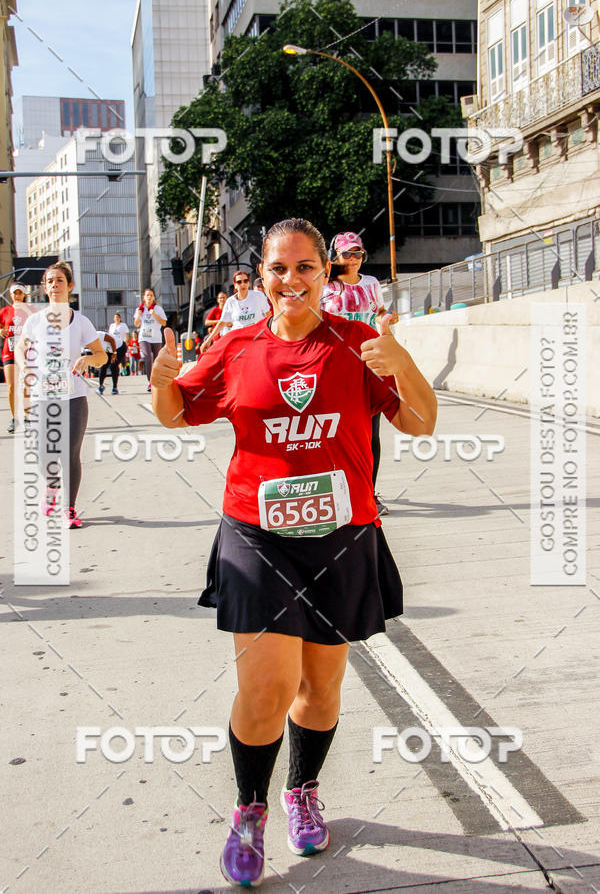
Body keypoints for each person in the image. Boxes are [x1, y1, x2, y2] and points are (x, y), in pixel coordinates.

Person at [151, 218, 437, 888]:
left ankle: (302, 789)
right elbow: (174, 413)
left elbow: (421, 420)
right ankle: (249, 806)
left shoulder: (360, 344)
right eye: (279, 268)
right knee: (268, 687)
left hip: (343, 534)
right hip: (257, 534)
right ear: (264, 273)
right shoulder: (236, 346)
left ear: (324, 273)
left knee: (320, 688)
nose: (291, 280)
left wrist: (405, 365)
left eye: (305, 267)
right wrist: (164, 378)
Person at [16, 261, 107, 529]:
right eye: (49, 282)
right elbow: (21, 348)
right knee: (44, 451)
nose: (54, 285)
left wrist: (87, 361)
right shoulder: (34, 321)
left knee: (70, 453)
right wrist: (23, 368)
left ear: (70, 286)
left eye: (58, 281)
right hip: (42, 396)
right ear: (44, 288)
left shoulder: (81, 322)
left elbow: (101, 355)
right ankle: (52, 486)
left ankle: (68, 509)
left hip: (74, 396)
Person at [322, 231, 398, 517]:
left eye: (358, 254)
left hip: (369, 363)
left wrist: (385, 319)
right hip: (335, 367)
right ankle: (336, 490)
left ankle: (368, 493)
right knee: (336, 433)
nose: (353, 260)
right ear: (335, 257)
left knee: (370, 433)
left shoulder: (371, 284)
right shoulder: (326, 287)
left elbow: (378, 311)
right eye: (347, 254)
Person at [200, 271, 270, 352]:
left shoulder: (258, 296)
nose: (243, 284)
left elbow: (268, 316)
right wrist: (208, 340)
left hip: (257, 338)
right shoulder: (230, 302)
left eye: (245, 281)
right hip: (239, 340)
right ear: (235, 285)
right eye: (239, 282)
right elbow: (222, 323)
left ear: (249, 282)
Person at [0, 282, 29, 433]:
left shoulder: (31, 311)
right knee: (11, 386)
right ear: (10, 294)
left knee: (25, 386)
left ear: (24, 294)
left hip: (26, 352)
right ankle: (14, 419)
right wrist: (0, 332)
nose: (17, 295)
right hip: (9, 350)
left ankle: (27, 417)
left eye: (20, 293)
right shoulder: (5, 311)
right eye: (14, 293)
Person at [134, 289, 167, 391]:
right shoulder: (140, 309)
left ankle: (157, 380)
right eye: (147, 295)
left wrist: (155, 315)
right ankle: (150, 382)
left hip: (156, 338)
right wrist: (139, 315)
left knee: (157, 360)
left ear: (153, 297)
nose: (149, 297)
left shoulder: (158, 309)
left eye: (151, 295)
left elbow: (164, 323)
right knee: (148, 357)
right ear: (144, 297)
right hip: (144, 337)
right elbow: (136, 324)